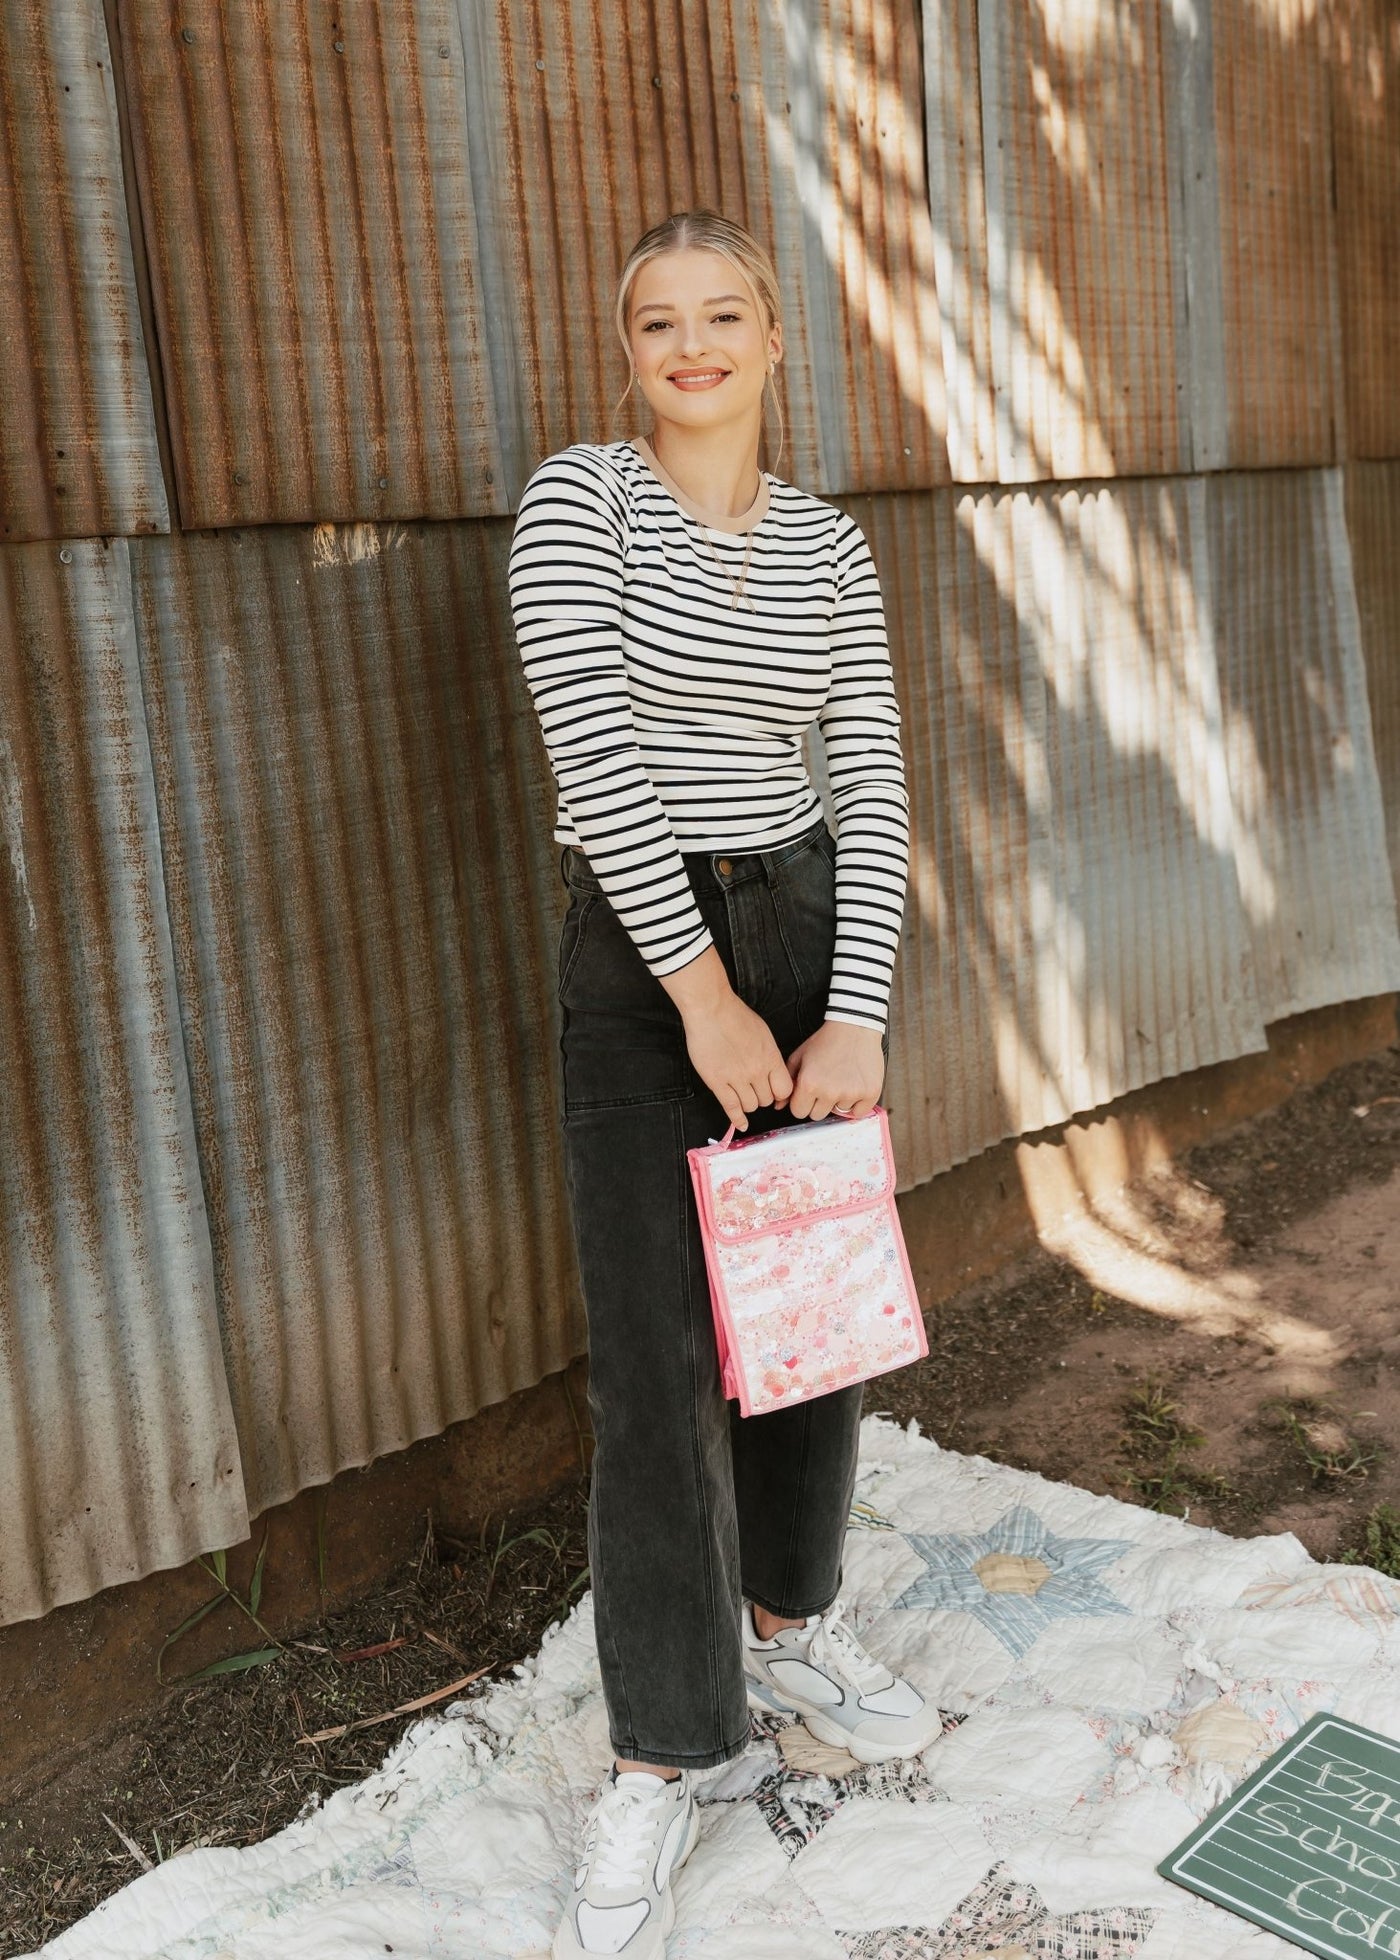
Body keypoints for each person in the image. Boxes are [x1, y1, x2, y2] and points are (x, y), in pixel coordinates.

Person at [508, 209, 941, 1960]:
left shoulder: (828, 543)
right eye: (658, 321)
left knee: (811, 1326)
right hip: (642, 953)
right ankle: (666, 1746)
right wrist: (698, 997)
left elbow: (872, 772)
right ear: (629, 350)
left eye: (724, 315)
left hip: (806, 924)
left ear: (774, 338)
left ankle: (790, 1621)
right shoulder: (581, 503)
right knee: (660, 1359)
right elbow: (594, 746)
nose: (692, 346)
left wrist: (858, 1012)